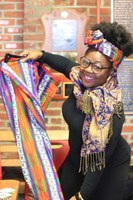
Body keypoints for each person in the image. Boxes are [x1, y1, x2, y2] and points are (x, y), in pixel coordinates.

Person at [20, 21, 133, 200]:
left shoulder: (110, 110)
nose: (88, 70)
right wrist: (40, 55)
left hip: (108, 166)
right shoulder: (79, 79)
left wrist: (81, 196)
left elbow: (98, 163)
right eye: (86, 62)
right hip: (76, 160)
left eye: (97, 67)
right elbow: (66, 65)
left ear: (111, 71)